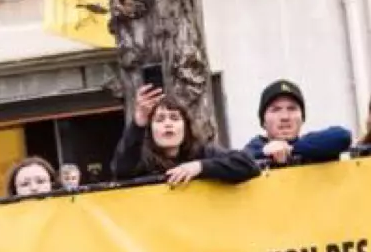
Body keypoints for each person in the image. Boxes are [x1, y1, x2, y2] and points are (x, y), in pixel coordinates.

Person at [112, 86, 260, 186]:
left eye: (174, 118)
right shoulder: (141, 159)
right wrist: (138, 123)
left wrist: (200, 167)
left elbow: (248, 165)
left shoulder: (203, 152)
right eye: (160, 119)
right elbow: (121, 171)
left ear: (185, 127)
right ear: (150, 130)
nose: (168, 124)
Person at [247, 79, 353, 169]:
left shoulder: (313, 146)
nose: (285, 117)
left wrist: (290, 149)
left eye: (292, 109)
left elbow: (342, 136)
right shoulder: (252, 151)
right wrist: (264, 152)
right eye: (276, 110)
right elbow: (239, 161)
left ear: (302, 118)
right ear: (263, 121)